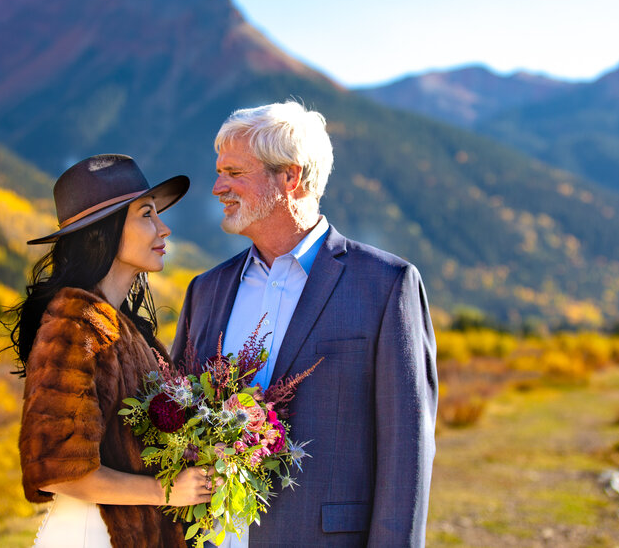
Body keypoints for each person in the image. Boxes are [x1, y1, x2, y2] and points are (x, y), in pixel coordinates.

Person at [171, 102, 438, 547]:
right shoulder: (205, 290)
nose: (218, 187)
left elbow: (406, 454)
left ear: (290, 178)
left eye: (235, 172)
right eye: (220, 172)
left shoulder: (385, 285)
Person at [6, 154, 211, 548]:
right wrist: (165, 491)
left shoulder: (125, 328)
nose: (163, 229)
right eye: (147, 215)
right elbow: (60, 471)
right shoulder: (75, 322)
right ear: (106, 230)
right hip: (93, 535)